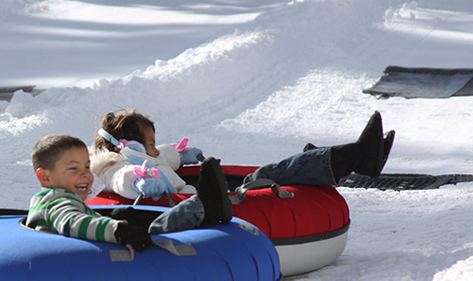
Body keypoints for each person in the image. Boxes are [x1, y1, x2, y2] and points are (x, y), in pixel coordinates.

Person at [90, 108, 395, 199]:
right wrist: (139, 183)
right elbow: (122, 180)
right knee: (265, 178)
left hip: (199, 198)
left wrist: (181, 155)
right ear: (129, 147)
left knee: (270, 173)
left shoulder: (147, 158)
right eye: (151, 143)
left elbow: (162, 157)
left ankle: (356, 157)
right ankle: (357, 157)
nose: (157, 148)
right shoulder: (118, 167)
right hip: (198, 207)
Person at [25, 134, 233, 252]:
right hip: (91, 260)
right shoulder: (60, 203)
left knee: (132, 216)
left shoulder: (47, 200)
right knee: (158, 232)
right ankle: (203, 207)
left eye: (87, 167)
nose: (85, 176)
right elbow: (72, 222)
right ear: (45, 177)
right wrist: (118, 230)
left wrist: (116, 217)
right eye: (73, 169)